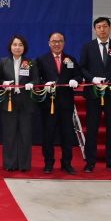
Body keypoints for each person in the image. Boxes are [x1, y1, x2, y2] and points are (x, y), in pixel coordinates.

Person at [79, 17, 111, 174]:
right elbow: (82, 68)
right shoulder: (88, 47)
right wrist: (92, 79)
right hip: (93, 93)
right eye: (99, 27)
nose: (102, 29)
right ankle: (90, 162)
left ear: (110, 28)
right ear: (95, 29)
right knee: (92, 128)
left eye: (105, 26)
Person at [36, 32, 82, 174]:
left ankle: (66, 163)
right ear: (49, 43)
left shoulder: (71, 59)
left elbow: (78, 75)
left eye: (60, 41)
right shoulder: (41, 60)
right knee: (48, 135)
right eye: (54, 41)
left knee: (67, 135)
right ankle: (48, 163)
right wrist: (44, 84)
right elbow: (36, 79)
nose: (57, 44)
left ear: (64, 43)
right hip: (48, 104)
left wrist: (76, 80)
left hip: (66, 104)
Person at [0, 34, 39, 172]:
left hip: (26, 102)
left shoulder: (30, 62)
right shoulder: (3, 62)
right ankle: (10, 164)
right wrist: (3, 83)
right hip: (9, 101)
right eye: (15, 44)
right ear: (10, 47)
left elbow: (36, 79)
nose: (17, 47)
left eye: (20, 45)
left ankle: (24, 165)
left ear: (24, 47)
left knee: (25, 135)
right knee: (9, 135)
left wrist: (32, 83)